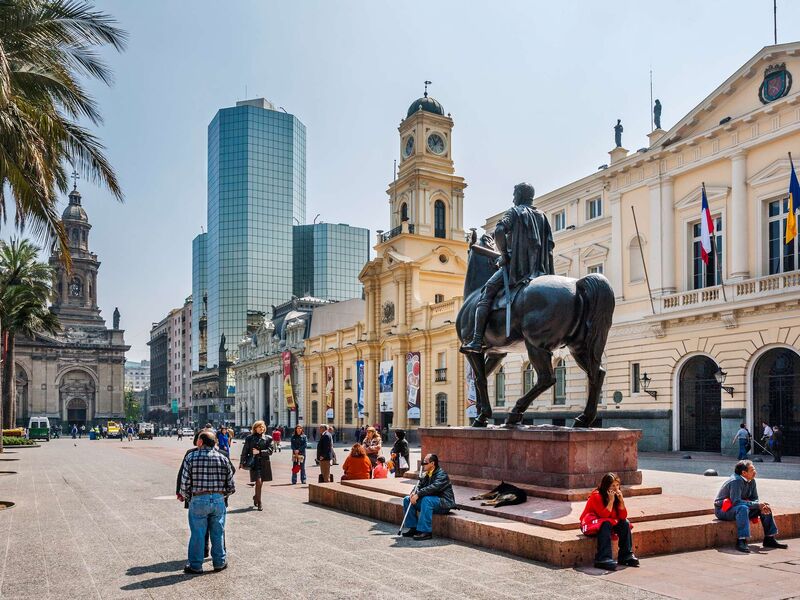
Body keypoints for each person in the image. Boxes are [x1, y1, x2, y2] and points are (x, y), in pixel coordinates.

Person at [461, 182, 554, 353]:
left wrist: (504, 256)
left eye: (514, 194)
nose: (513, 198)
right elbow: (549, 246)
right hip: (540, 270)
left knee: (487, 291)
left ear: (519, 195)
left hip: (516, 270)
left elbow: (498, 231)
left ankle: (476, 339)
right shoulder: (542, 215)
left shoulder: (514, 212)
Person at [179, 431, 235, 574]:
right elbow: (231, 485)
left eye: (198, 439)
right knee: (218, 532)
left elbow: (184, 482)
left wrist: (189, 497)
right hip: (218, 499)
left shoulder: (191, 457)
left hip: (198, 498)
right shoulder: (222, 458)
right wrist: (221, 495)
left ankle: (196, 565)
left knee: (197, 533)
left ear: (201, 442)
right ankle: (219, 562)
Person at [714, 459, 788, 553]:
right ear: (744, 472)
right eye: (752, 470)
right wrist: (756, 505)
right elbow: (736, 502)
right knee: (743, 508)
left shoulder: (752, 481)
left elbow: (755, 498)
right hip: (724, 510)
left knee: (765, 507)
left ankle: (769, 538)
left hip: (740, 508)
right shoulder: (736, 481)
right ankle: (742, 540)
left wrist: (760, 506)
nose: (755, 472)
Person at [579, 473, 638, 571]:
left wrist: (621, 501)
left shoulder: (617, 495)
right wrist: (611, 501)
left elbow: (622, 516)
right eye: (612, 486)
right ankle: (603, 558)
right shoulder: (596, 496)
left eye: (617, 485)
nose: (615, 488)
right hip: (591, 524)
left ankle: (626, 555)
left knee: (625, 523)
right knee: (605, 523)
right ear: (606, 486)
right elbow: (604, 516)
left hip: (609, 522)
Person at [400, 454, 456, 541]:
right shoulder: (426, 474)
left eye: (425, 463)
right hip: (430, 501)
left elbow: (434, 487)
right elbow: (418, 486)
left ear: (432, 463)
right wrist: (413, 493)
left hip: (443, 503)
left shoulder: (442, 474)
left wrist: (418, 494)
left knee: (427, 500)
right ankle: (413, 528)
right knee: (407, 499)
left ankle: (426, 532)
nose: (423, 464)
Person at [240, 421, 273, 511]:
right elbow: (245, 450)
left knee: (260, 483)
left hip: (264, 463)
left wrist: (260, 452)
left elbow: (270, 451)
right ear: (255, 428)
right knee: (258, 482)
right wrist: (242, 462)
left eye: (262, 427)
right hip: (254, 463)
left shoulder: (268, 438)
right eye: (259, 427)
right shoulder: (249, 438)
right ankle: (259, 502)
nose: (261, 428)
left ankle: (256, 497)